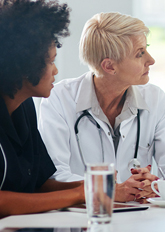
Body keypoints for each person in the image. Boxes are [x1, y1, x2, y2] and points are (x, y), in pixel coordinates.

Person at [38, 12, 165, 203]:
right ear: (109, 66)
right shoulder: (58, 99)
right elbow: (53, 176)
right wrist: (110, 190)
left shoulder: (156, 100)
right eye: (140, 53)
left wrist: (157, 186)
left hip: (140, 222)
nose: (151, 60)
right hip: (83, 222)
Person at [0, 0, 85, 218]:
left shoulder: (25, 106)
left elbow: (39, 185)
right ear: (24, 65)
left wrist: (101, 186)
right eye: (51, 61)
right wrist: (80, 195)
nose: (56, 70)